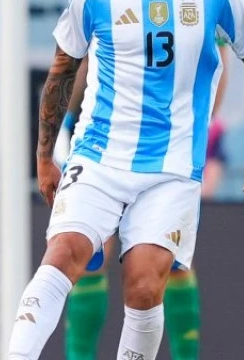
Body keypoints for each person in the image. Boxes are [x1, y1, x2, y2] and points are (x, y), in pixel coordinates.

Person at [8, 0, 244, 360]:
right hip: (99, 154)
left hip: (173, 166)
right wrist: (45, 154)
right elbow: (62, 73)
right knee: (64, 254)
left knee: (143, 283)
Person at [55, 44, 229, 360]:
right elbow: (82, 54)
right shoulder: (106, 11)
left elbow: (217, 59)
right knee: (89, 249)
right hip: (103, 138)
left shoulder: (199, 10)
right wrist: (67, 118)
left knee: (171, 257)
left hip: (165, 143)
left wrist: (198, 126)